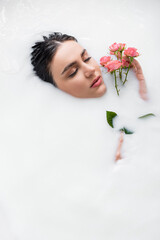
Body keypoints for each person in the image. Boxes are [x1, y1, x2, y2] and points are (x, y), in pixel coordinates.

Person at [31, 32, 148, 160]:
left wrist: (141, 85)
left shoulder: (122, 87)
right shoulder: (65, 138)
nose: (90, 70)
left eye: (86, 58)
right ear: (54, 88)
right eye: (73, 72)